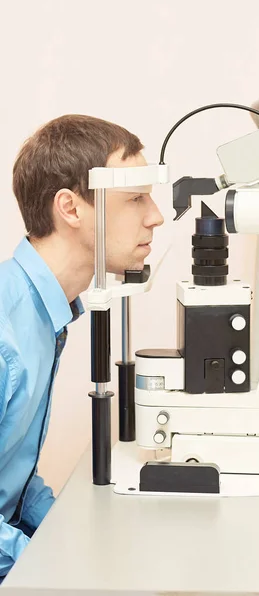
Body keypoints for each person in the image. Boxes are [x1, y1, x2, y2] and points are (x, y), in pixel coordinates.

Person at [0, 115, 164, 579]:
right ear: (70, 209)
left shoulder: (42, 313)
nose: (156, 215)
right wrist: (57, 565)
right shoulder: (5, 336)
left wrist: (73, 532)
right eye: (135, 198)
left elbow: (12, 475)